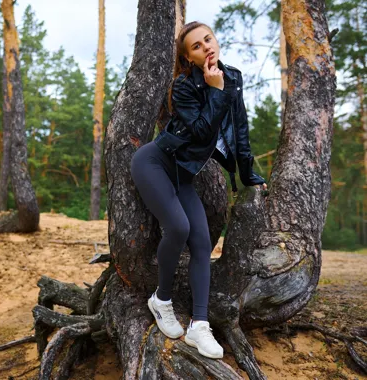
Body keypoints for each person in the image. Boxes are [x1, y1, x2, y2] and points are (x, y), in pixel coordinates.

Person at [130, 21, 267, 360]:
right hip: (154, 162)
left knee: (203, 243)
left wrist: (249, 174)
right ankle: (160, 301)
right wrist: (215, 90)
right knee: (178, 227)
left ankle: (199, 326)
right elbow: (203, 132)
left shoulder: (231, 77)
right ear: (188, 57)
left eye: (208, 39)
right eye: (196, 46)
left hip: (183, 176)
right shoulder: (183, 86)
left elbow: (240, 130)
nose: (206, 47)